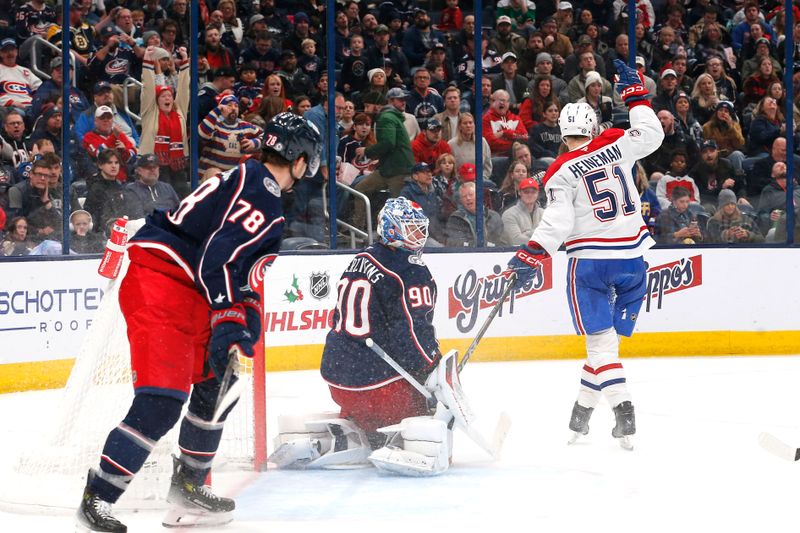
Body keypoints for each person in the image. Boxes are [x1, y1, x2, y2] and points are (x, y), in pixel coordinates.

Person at [76, 113, 322, 532]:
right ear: (300, 160)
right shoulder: (263, 192)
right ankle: (98, 496)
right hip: (163, 279)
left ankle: (188, 485)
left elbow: (230, 265)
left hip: (188, 286)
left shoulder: (250, 178)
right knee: (162, 400)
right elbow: (218, 258)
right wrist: (229, 316)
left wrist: (241, 313)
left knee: (218, 381)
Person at [505, 60, 664, 449]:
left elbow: (556, 222)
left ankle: (623, 411)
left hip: (590, 265)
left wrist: (531, 254)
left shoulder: (560, 170)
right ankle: (580, 416)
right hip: (632, 262)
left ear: (563, 132)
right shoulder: (615, 142)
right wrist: (636, 96)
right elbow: (652, 133)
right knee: (606, 348)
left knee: (599, 347)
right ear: (593, 127)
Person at [445, 181, 504, 247]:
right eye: (464, 196)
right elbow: (454, 242)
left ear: (479, 195)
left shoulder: (494, 216)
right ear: (461, 200)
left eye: (471, 195)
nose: (468, 198)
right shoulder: (456, 218)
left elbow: (500, 242)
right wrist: (473, 244)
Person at [501, 177, 543, 245]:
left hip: (540, 253)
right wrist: (539, 235)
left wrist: (526, 233)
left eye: (533, 192)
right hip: (513, 253)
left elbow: (551, 236)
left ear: (538, 193)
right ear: (519, 192)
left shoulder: (544, 213)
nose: (530, 195)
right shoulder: (509, 214)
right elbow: (515, 240)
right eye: (526, 192)